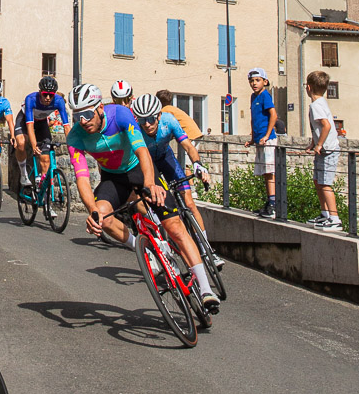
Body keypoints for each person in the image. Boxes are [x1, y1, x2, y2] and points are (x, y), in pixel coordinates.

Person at [66, 84, 220, 310]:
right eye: (77, 115)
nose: (83, 121)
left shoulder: (120, 114)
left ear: (100, 108)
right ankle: (143, 248)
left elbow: (141, 151)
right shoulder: (75, 138)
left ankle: (206, 289)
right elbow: (82, 178)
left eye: (87, 114)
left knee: (174, 226)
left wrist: (150, 184)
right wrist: (93, 211)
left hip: (139, 167)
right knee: (105, 218)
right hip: (113, 177)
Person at [130, 94, 223, 302]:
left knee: (189, 201)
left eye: (151, 119)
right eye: (142, 120)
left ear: (159, 115)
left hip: (165, 158)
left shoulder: (169, 121)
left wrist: (198, 164)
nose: (147, 125)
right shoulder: (136, 129)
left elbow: (188, 146)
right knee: (160, 202)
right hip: (149, 166)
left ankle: (207, 249)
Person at [16, 76, 71, 187]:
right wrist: (33, 144)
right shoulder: (31, 99)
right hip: (25, 120)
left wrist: (72, 146)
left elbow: (66, 126)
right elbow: (30, 126)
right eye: (44, 94)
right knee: (21, 143)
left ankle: (42, 186)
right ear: (40, 92)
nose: (47, 98)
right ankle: (23, 174)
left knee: (45, 158)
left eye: (51, 95)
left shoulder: (59, 101)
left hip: (41, 122)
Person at [304, 71, 342, 231]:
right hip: (323, 149)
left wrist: (319, 144)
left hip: (328, 150)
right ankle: (325, 213)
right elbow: (318, 128)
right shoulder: (320, 103)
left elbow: (326, 125)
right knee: (318, 181)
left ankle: (334, 218)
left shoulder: (316, 105)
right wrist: (313, 143)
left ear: (308, 87)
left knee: (325, 183)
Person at [244, 68, 277, 218]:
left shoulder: (265, 95)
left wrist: (267, 135)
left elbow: (273, 115)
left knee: (269, 172)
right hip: (259, 140)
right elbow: (253, 118)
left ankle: (273, 204)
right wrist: (253, 138)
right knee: (264, 172)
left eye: (257, 80)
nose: (253, 83)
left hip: (267, 140)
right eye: (251, 81)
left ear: (265, 82)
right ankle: (269, 201)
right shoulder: (253, 97)